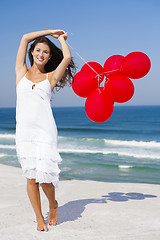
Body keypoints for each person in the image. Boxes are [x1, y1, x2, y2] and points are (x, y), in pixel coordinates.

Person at [15, 30, 76, 232]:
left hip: (45, 132)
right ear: (32, 52)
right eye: (38, 50)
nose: (41, 54)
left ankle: (53, 203)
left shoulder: (50, 77)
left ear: (49, 56)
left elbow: (67, 57)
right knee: (31, 179)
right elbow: (24, 37)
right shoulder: (20, 72)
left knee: (45, 179)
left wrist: (60, 39)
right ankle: (39, 218)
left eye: (46, 52)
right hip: (25, 133)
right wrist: (50, 31)